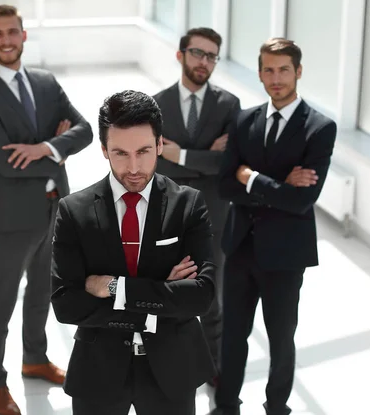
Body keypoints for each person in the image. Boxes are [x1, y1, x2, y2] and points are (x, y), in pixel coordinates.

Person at [51, 90, 217, 415]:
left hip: (171, 370)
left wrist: (113, 287)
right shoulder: (74, 211)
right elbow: (66, 305)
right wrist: (162, 299)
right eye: (120, 153)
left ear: (159, 145)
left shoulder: (189, 205)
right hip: (98, 371)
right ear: (103, 150)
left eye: (143, 151)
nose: (134, 167)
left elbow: (201, 297)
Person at [0, 5, 93, 414]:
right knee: (1, 300)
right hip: (12, 217)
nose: (5, 39)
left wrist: (43, 148)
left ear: (23, 34)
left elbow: (85, 130)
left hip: (55, 207)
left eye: (12, 32)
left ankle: (34, 358)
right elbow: (5, 162)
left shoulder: (46, 82)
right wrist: (58, 149)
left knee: (41, 291)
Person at [213, 38, 337, 415]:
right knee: (232, 335)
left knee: (282, 339)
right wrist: (279, 184)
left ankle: (277, 407)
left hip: (285, 254)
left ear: (298, 71)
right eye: (269, 69)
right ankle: (225, 405)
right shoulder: (244, 119)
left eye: (284, 69)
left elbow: (302, 201)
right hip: (239, 247)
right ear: (260, 72)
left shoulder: (320, 127)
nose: (276, 77)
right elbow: (224, 185)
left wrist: (251, 178)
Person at [153, 27, 240, 383]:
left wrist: (179, 153)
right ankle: (168, 359)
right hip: (168, 211)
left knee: (210, 292)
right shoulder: (155, 104)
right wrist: (203, 156)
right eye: (197, 53)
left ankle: (213, 365)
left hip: (214, 211)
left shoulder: (229, 105)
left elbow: (227, 164)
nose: (203, 62)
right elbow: (156, 160)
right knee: (168, 286)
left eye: (211, 56)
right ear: (180, 55)